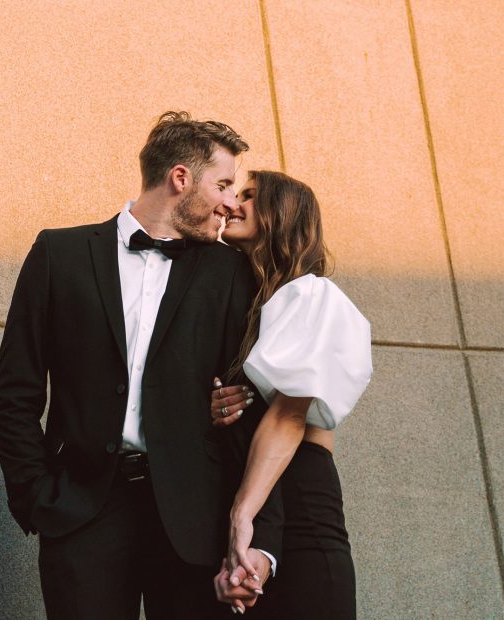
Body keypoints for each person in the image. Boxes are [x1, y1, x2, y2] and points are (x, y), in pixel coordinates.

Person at [0, 112, 283, 619]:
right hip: (83, 514)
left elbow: (260, 412)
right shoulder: (60, 254)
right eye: (224, 184)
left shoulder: (231, 273)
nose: (232, 203)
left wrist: (261, 538)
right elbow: (16, 391)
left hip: (195, 520)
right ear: (180, 178)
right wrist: (37, 496)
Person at [210, 170, 372, 617]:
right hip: (258, 499)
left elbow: (288, 417)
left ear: (281, 213)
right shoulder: (251, 306)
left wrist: (241, 518)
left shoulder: (311, 295)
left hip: (299, 507)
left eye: (249, 196)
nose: (232, 203)